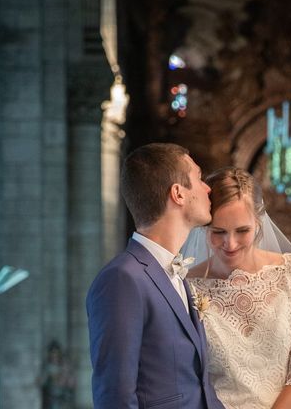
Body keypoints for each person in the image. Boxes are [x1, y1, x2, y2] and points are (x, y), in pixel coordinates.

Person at [184, 167, 291, 409]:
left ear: (259, 222)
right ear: (205, 228)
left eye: (242, 230)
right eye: (218, 232)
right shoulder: (186, 284)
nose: (230, 243)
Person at [86, 143, 225, 409]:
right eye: (198, 178)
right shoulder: (122, 279)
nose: (208, 188)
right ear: (178, 194)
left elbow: (196, 387)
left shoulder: (177, 274)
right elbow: (115, 397)